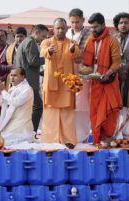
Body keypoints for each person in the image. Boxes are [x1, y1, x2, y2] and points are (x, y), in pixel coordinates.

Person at [81, 13, 122, 144]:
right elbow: (86, 64)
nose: (93, 30)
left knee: (109, 113)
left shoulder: (112, 40)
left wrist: (107, 73)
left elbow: (117, 63)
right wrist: (82, 71)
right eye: (91, 27)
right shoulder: (89, 40)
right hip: (95, 83)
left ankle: (108, 140)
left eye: (96, 27)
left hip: (109, 82)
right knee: (95, 112)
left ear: (103, 25)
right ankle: (98, 141)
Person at [40, 18, 82, 148]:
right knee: (50, 112)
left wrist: (73, 50)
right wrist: (49, 51)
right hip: (51, 82)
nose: (60, 30)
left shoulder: (72, 42)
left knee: (67, 112)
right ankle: (50, 141)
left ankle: (68, 140)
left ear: (66, 28)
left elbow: (78, 55)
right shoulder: (46, 42)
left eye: (63, 28)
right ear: (53, 28)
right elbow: (42, 52)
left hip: (66, 83)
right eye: (58, 28)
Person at [14, 24, 49, 135]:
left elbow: (27, 63)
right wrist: (48, 57)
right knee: (38, 106)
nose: (43, 39)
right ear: (37, 33)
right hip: (28, 81)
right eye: (43, 36)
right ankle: (32, 132)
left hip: (25, 79)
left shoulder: (24, 42)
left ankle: (27, 132)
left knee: (27, 109)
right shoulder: (30, 42)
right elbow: (33, 61)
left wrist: (39, 72)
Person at [66, 8, 92, 143]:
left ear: (83, 20)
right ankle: (71, 136)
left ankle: (83, 137)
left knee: (83, 106)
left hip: (84, 74)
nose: (75, 25)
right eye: (72, 22)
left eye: (77, 22)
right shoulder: (66, 33)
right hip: (69, 75)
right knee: (71, 106)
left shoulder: (90, 34)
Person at [0, 68, 34, 146]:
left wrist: (3, 91)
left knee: (2, 142)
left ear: (23, 77)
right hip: (12, 123)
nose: (12, 78)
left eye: (15, 75)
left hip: (21, 127)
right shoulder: (13, 88)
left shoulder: (27, 89)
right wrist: (0, 92)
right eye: (11, 75)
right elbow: (3, 103)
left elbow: (16, 102)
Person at [113, 12, 129, 139]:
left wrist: (127, 67)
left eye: (126, 22)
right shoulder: (113, 37)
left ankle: (127, 133)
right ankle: (116, 133)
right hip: (115, 75)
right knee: (117, 103)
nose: (123, 25)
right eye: (120, 22)